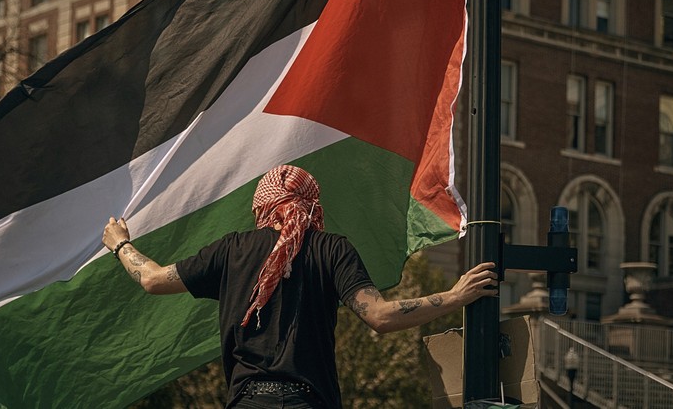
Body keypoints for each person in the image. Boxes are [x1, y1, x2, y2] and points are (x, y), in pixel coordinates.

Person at [102, 164, 497, 408]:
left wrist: (120, 243)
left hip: (247, 402)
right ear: (312, 205)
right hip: (309, 400)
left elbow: (152, 279)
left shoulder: (230, 250)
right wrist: (455, 295)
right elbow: (380, 316)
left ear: (261, 208)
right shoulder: (331, 249)